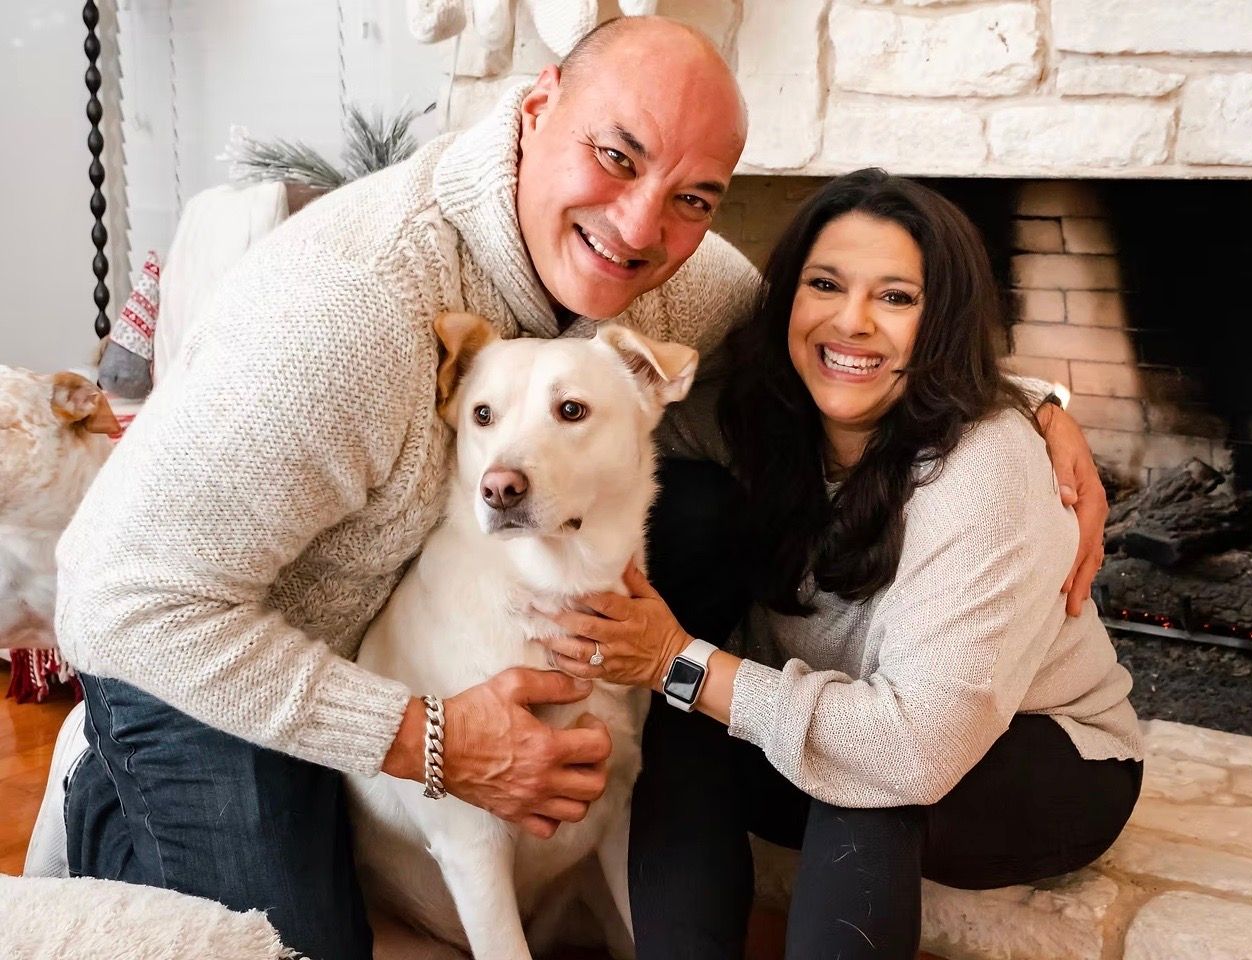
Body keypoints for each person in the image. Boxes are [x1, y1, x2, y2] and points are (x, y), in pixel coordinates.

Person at [50, 17, 1107, 960]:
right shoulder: (350, 311)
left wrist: (1025, 409)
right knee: (297, 945)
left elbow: (829, 352)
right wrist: (425, 736)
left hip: (392, 629)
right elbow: (117, 601)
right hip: (195, 650)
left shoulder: (665, 277)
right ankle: (109, 805)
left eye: (694, 197)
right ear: (539, 104)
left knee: (686, 507)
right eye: (617, 155)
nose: (643, 226)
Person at [539, 169, 1144, 959]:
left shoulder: (987, 466)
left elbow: (911, 749)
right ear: (789, 298)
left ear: (942, 322)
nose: (851, 322)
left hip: (1042, 761)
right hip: (847, 726)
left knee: (869, 787)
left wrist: (671, 658)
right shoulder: (756, 416)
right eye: (825, 284)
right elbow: (600, 431)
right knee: (686, 728)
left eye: (897, 297)